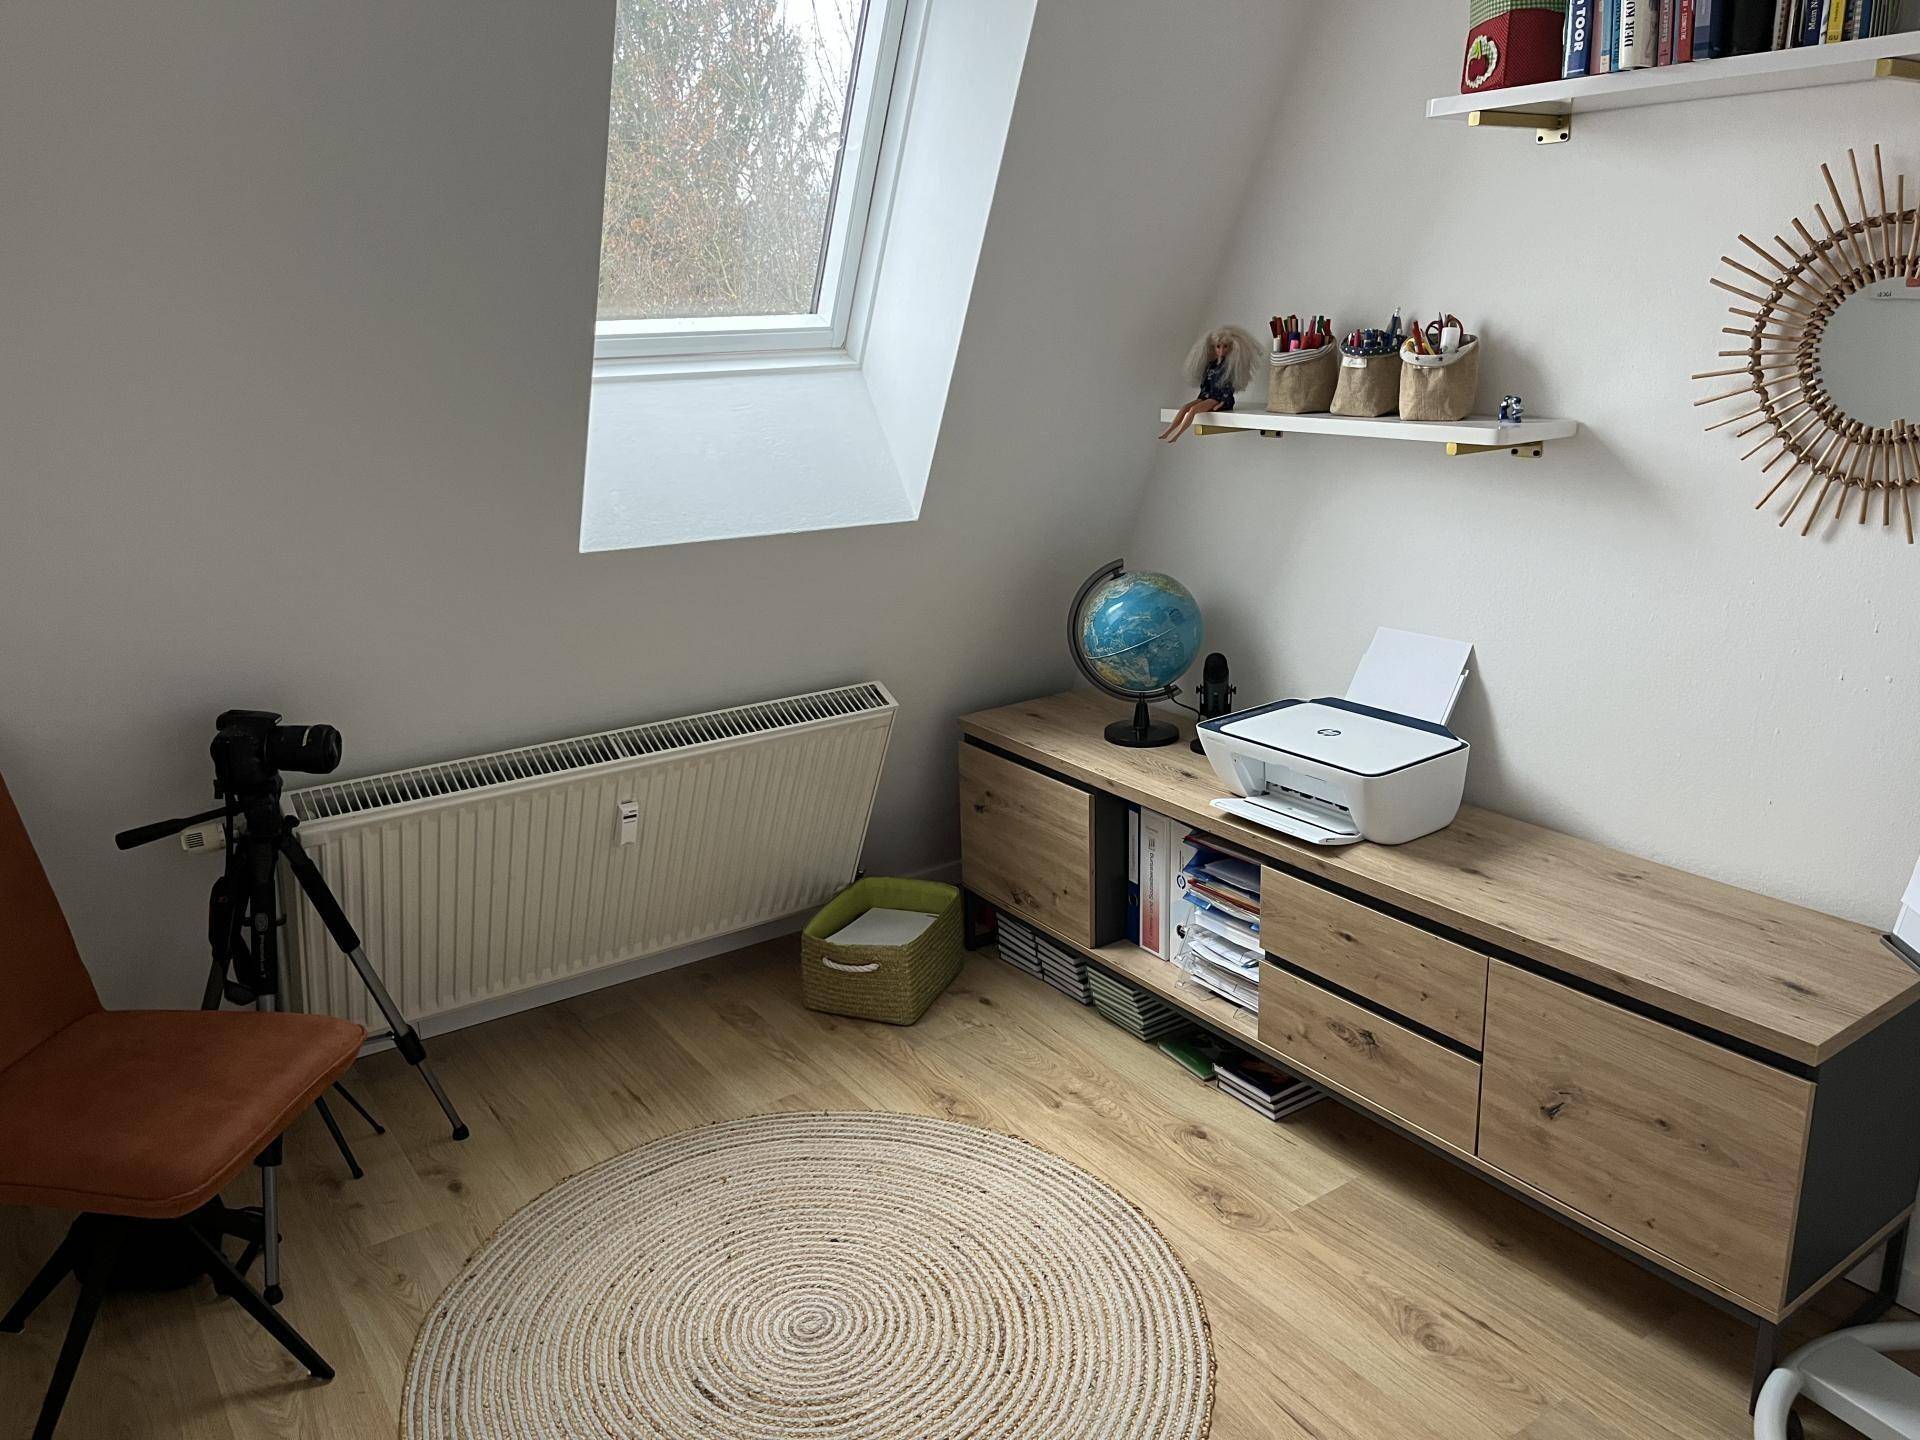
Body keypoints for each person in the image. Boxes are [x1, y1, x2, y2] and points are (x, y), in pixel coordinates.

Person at [1159, 326, 1262, 442]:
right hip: (1206, 395)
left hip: (1218, 398)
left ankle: (1177, 435)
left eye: (1225, 346)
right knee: (1184, 408)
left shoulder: (1229, 368)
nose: (1221, 350)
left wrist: (1222, 402)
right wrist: (1201, 397)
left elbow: (1229, 388)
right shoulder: (1211, 365)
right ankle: (1168, 431)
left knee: (1193, 410)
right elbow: (1206, 383)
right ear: (1213, 347)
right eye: (1218, 347)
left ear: (1231, 348)